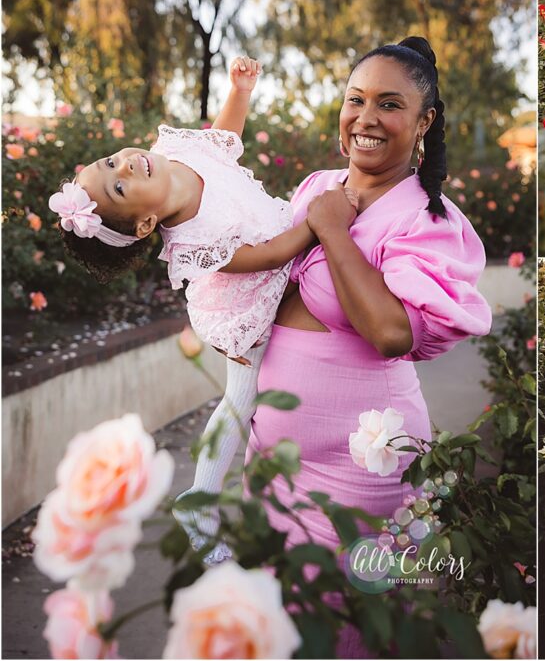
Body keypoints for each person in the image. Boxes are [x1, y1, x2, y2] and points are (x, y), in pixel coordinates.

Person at [247, 37, 492, 656]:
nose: (367, 118)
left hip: (360, 466)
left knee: (349, 627)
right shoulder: (317, 187)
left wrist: (332, 230)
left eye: (389, 104)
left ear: (424, 121)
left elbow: (389, 333)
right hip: (270, 460)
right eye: (356, 100)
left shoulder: (425, 219)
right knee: (279, 622)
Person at [50, 57, 328, 566]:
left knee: (251, 396)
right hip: (247, 299)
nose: (125, 165)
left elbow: (222, 144)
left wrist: (240, 93)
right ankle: (199, 505)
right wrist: (320, 225)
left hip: (283, 251)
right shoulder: (193, 242)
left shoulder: (173, 149)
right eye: (118, 187)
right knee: (241, 398)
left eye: (111, 162)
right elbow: (266, 257)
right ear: (144, 224)